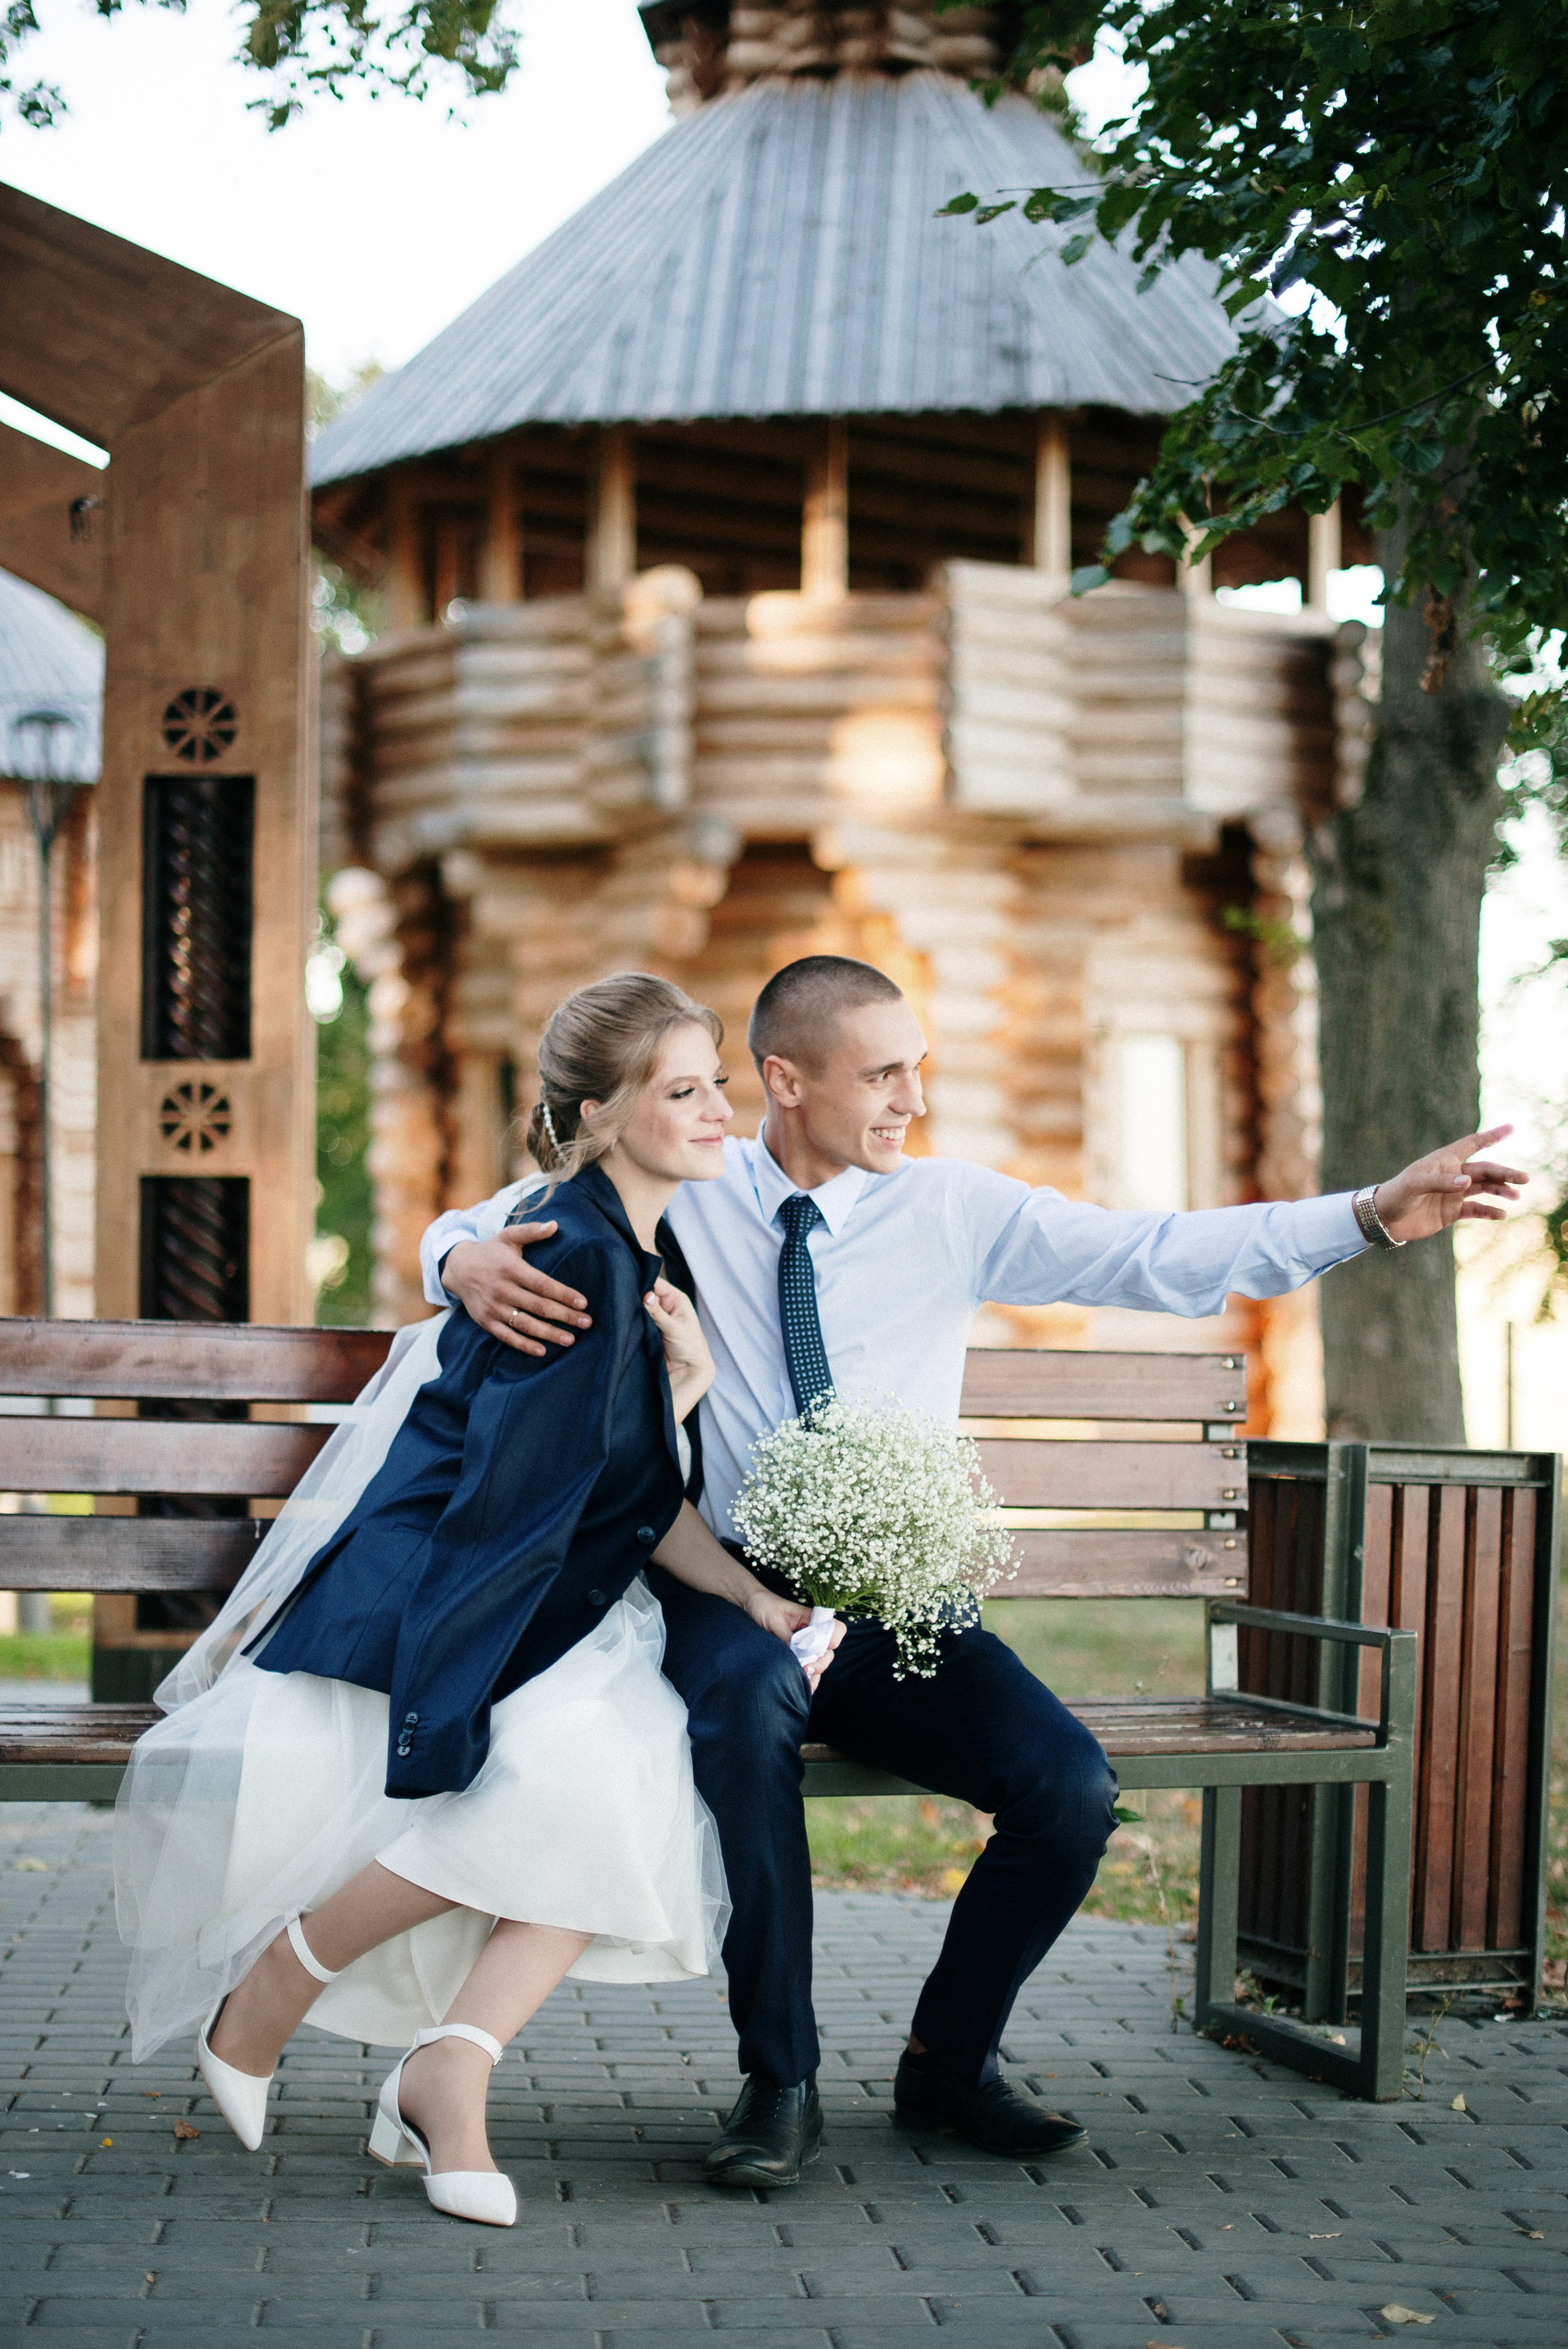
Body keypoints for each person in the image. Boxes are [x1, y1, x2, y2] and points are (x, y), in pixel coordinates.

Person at [424, 955, 1525, 2192]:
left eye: (919, 1069)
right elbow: (507, 1216)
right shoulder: (689, 1172)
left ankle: (949, 2062)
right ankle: (776, 2078)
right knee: (742, 1726)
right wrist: (455, 1261)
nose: (911, 1099)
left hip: (898, 1602)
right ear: (782, 1079)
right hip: (730, 1591)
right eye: (882, 1072)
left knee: (1066, 1791)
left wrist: (1371, 1212)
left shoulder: (951, 1208)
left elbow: (1154, 1253)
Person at [115, 974, 836, 2230]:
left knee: (622, 1780)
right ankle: (299, 1992)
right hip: (471, 1601)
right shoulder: (574, 1257)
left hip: (550, 1596)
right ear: (600, 1119)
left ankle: (442, 2065)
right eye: (683, 1091)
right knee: (601, 1773)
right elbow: (507, 1509)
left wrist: (744, 1578)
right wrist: (458, 1700)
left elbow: (612, 1484)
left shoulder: (628, 1247)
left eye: (713, 1083)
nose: (718, 1111)